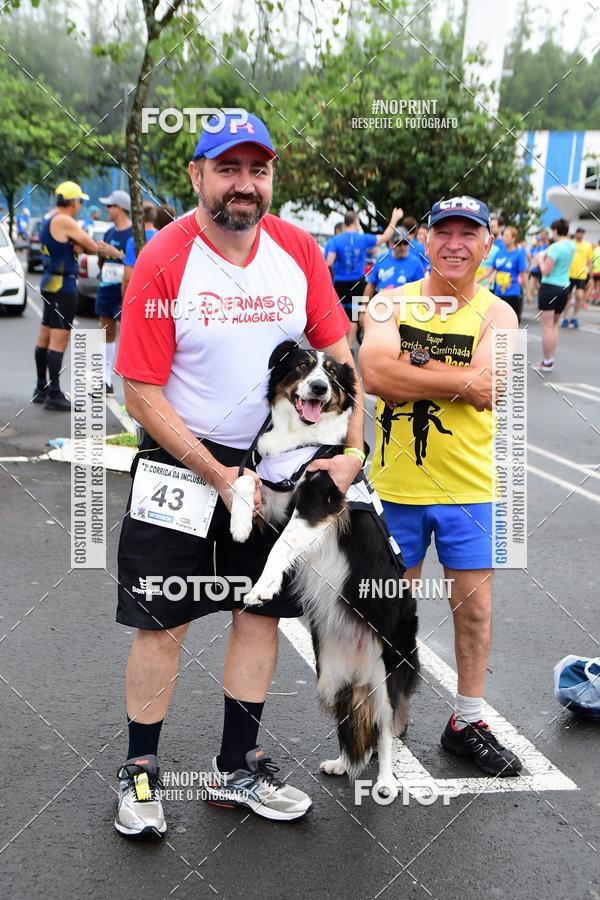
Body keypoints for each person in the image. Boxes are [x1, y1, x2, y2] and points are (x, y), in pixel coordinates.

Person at [113, 111, 365, 835]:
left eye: (258, 170)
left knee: (259, 614)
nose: (244, 184)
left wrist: (352, 449)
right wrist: (217, 475)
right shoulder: (164, 260)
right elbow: (139, 391)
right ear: (197, 175)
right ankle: (138, 779)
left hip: (277, 468)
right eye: (228, 169)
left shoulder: (296, 249)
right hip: (180, 460)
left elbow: (340, 354)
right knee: (164, 616)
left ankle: (235, 771)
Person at [359, 195, 523, 777]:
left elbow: (488, 387)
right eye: (444, 232)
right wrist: (448, 378)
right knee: (393, 611)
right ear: (426, 240)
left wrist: (413, 371)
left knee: (474, 609)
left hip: (470, 489)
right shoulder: (387, 304)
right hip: (394, 490)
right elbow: (375, 373)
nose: (454, 243)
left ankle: (467, 721)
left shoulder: (499, 316)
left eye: (468, 233)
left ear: (486, 244)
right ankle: (390, 720)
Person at [33, 182, 98, 410]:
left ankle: (41, 388)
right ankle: (54, 394)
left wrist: (74, 245)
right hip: (63, 284)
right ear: (72, 202)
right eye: (80, 201)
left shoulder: (49, 217)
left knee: (45, 334)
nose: (80, 205)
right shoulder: (65, 220)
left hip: (49, 280)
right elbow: (91, 246)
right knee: (59, 338)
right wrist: (78, 245)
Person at [326, 206, 404, 347]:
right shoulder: (362, 238)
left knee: (340, 316)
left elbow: (329, 262)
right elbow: (386, 237)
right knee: (354, 317)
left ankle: (341, 346)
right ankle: (349, 346)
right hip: (357, 283)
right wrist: (395, 218)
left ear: (344, 223)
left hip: (339, 283)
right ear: (356, 222)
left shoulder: (334, 241)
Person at [95, 190, 133, 394]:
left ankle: (132, 385)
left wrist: (116, 253)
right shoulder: (109, 232)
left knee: (129, 334)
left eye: (110, 206)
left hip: (125, 289)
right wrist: (101, 255)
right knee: (106, 332)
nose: (107, 210)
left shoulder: (134, 233)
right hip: (106, 287)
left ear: (121, 208)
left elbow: (138, 261)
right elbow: (102, 262)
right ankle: (104, 379)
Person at [536, 218, 576, 372]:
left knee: (547, 327)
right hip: (564, 286)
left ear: (556, 231)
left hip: (550, 286)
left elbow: (546, 270)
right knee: (553, 325)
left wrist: (540, 260)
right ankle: (550, 359)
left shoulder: (555, 248)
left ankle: (547, 362)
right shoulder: (571, 245)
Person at [364, 227, 425, 299]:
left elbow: (422, 290)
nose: (403, 247)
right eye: (399, 243)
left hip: (405, 306)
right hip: (382, 304)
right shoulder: (381, 259)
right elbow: (371, 285)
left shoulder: (416, 263)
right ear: (391, 244)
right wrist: (363, 307)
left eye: (406, 243)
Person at [490, 225, 527, 322]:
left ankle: (514, 337)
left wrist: (528, 292)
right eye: (503, 235)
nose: (503, 238)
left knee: (512, 322)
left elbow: (523, 275)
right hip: (498, 292)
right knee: (498, 322)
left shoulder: (519, 254)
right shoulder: (499, 253)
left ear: (513, 238)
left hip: (512, 292)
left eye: (506, 236)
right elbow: (490, 270)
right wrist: (477, 280)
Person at [121, 201, 158, 298]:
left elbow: (128, 277)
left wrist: (125, 300)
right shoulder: (163, 237)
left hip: (139, 294)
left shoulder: (133, 240)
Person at [562, 227, 594, 328]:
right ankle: (565, 318)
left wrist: (591, 277)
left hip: (582, 275)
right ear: (575, 234)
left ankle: (575, 317)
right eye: (578, 233)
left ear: (584, 234)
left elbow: (589, 262)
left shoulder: (588, 245)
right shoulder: (570, 243)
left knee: (580, 296)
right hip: (569, 274)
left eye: (582, 233)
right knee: (568, 297)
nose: (580, 235)